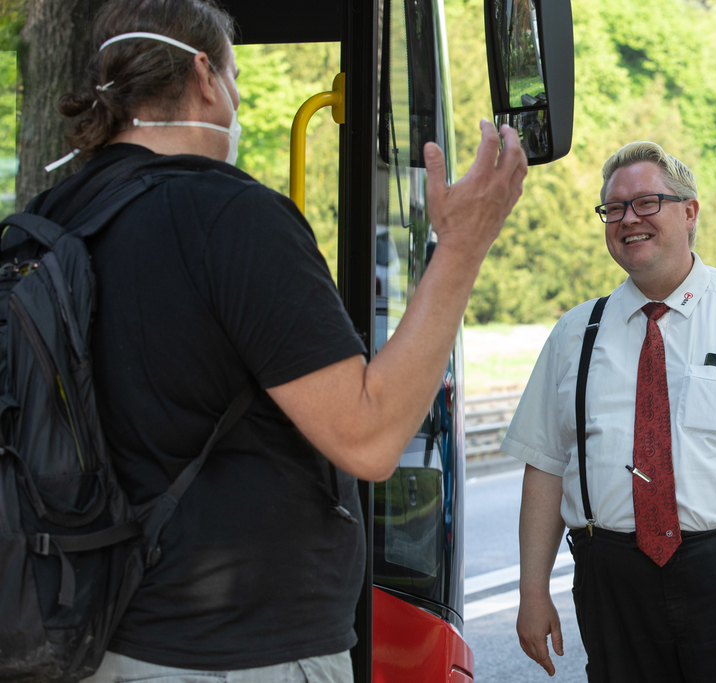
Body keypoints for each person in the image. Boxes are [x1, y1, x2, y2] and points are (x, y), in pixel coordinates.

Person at [36, 0, 525, 680]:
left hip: (96, 641)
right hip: (240, 655)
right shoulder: (234, 219)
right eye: (234, 79)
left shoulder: (48, 221)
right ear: (205, 76)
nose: (236, 100)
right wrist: (463, 244)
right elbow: (369, 436)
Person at [503, 141, 716, 681]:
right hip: (612, 580)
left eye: (646, 202)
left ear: (689, 213)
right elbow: (545, 467)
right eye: (614, 208)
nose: (628, 219)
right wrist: (532, 593)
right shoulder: (576, 333)